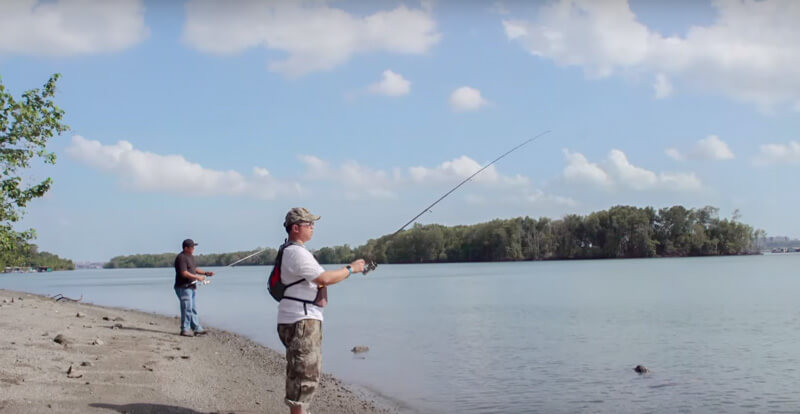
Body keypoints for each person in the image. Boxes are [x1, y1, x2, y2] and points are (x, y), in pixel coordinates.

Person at [277, 207, 365, 414]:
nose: (313, 228)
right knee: (304, 377)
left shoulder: (292, 251)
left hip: (298, 318)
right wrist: (351, 269)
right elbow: (324, 279)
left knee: (303, 373)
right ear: (296, 228)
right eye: (310, 225)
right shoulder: (296, 253)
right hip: (301, 320)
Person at [174, 238, 214, 337]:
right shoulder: (181, 258)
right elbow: (184, 273)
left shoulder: (191, 257)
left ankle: (196, 328)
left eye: (193, 247)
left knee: (193, 309)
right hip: (183, 287)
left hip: (191, 287)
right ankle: (185, 329)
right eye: (192, 247)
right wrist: (197, 277)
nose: (193, 249)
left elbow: (194, 269)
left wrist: (205, 273)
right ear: (186, 248)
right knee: (187, 308)